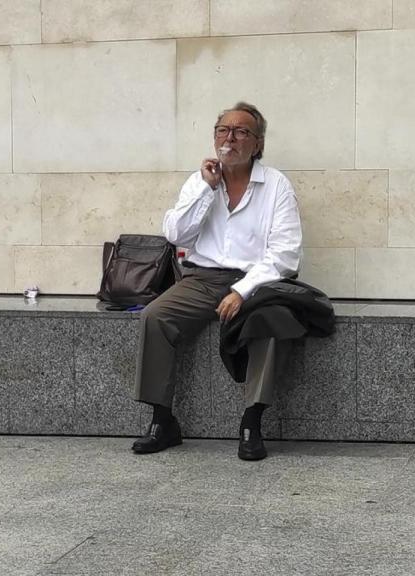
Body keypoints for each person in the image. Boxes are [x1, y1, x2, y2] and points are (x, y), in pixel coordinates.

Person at [131, 102, 303, 461]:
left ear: (257, 143)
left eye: (241, 132)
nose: (231, 139)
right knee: (155, 316)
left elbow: (285, 254)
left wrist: (242, 291)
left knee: (269, 324)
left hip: (257, 282)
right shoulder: (200, 181)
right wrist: (206, 190)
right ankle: (163, 420)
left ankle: (252, 420)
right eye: (223, 131)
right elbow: (176, 234)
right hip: (203, 278)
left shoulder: (276, 185)